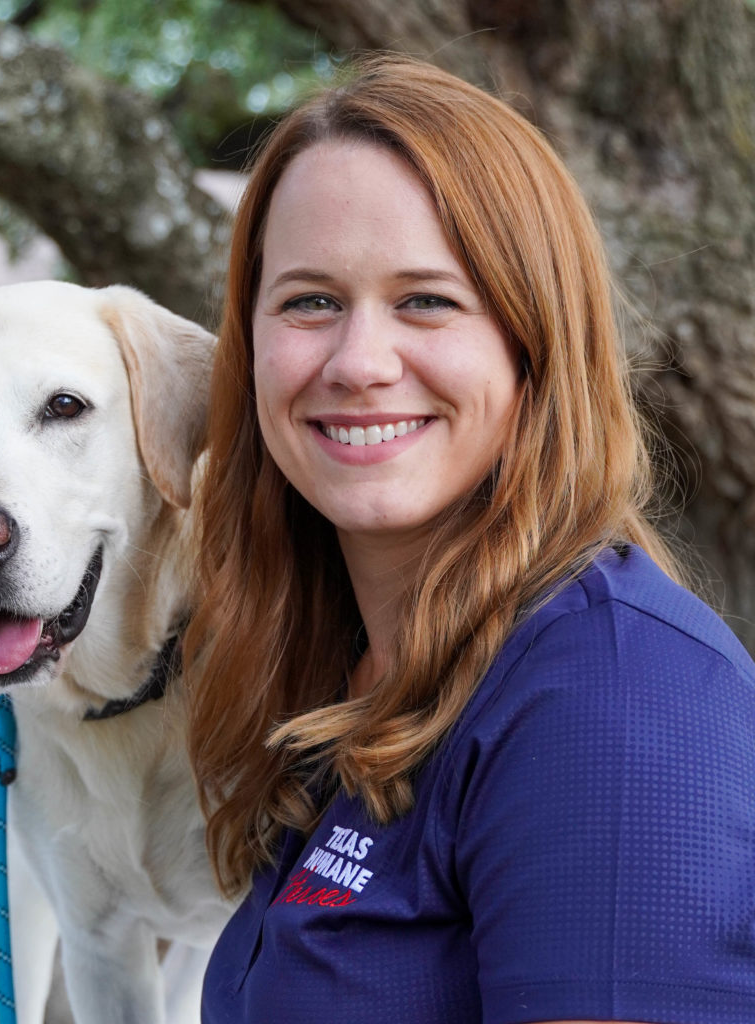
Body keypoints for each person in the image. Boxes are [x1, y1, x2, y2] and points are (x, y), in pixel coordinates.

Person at [183, 54, 755, 1024]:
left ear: (534, 340)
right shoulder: (353, 672)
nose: (359, 362)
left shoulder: (605, 697)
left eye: (426, 300)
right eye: (310, 300)